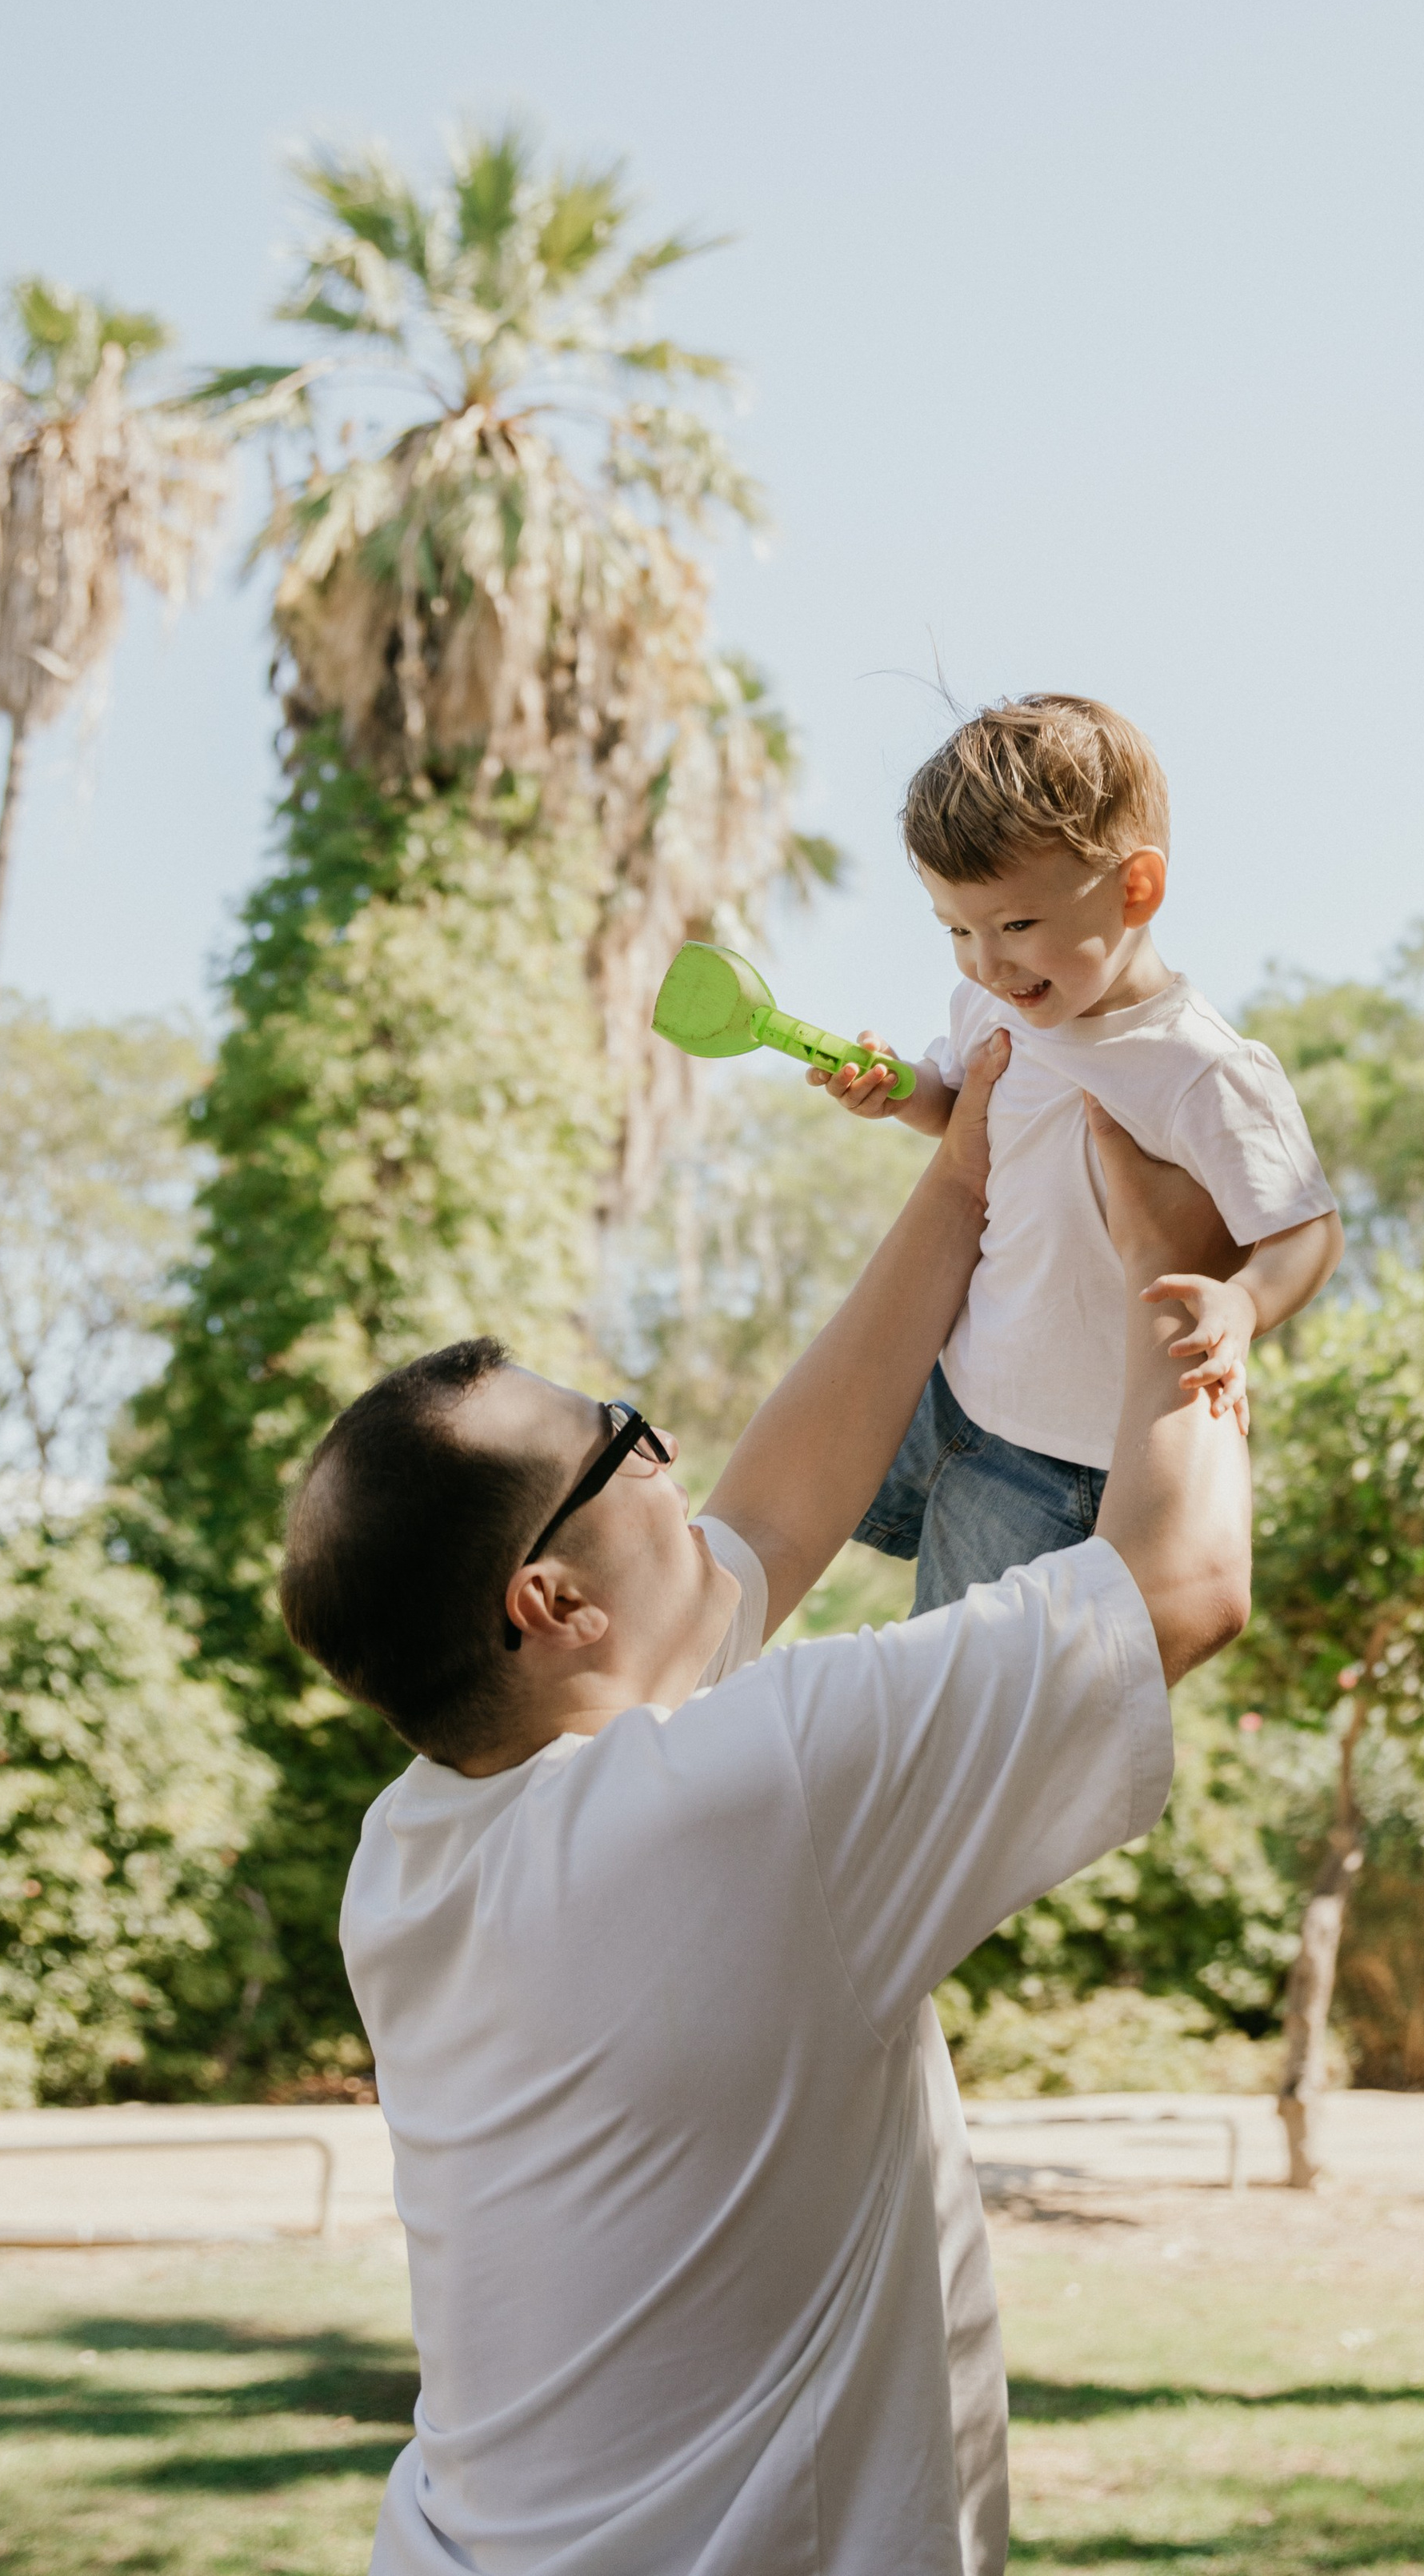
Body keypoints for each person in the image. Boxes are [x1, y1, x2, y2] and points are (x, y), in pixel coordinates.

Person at [277, 1029, 1251, 2576]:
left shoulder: (415, 1852)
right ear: (551, 1601)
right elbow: (1182, 1585)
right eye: (621, 1441)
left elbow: (776, 1517)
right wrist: (1180, 1283)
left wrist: (966, 1173)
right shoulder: (737, 1805)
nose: (666, 1449)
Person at [812, 691, 1344, 1613]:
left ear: (1135, 889)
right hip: (959, 1372)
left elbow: (1308, 1230)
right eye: (956, 929)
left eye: (1015, 926)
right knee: (808, 1511)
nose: (985, 964)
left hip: (1056, 1457)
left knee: (964, 1661)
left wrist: (1244, 1303)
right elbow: (965, 1113)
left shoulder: (1202, 1070)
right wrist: (898, 1090)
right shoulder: (993, 1004)